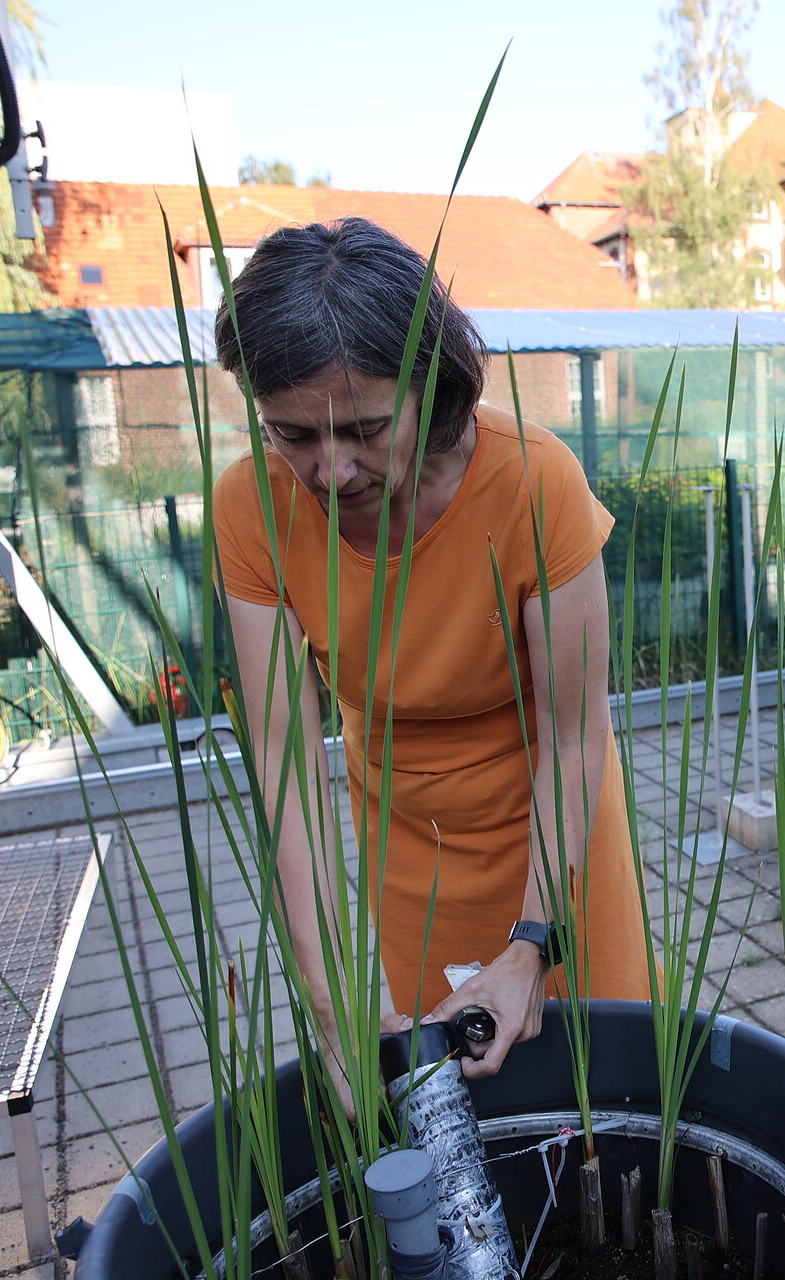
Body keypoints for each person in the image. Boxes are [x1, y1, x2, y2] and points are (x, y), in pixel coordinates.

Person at [212, 217, 650, 1094]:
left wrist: (533, 943)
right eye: (293, 435)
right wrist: (331, 1002)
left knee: (608, 1093)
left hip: (556, 833)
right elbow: (283, 762)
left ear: (431, 389)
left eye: (366, 429)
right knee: (451, 1100)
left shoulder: (534, 482)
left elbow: (574, 735)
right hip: (416, 842)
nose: (331, 472)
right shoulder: (251, 507)